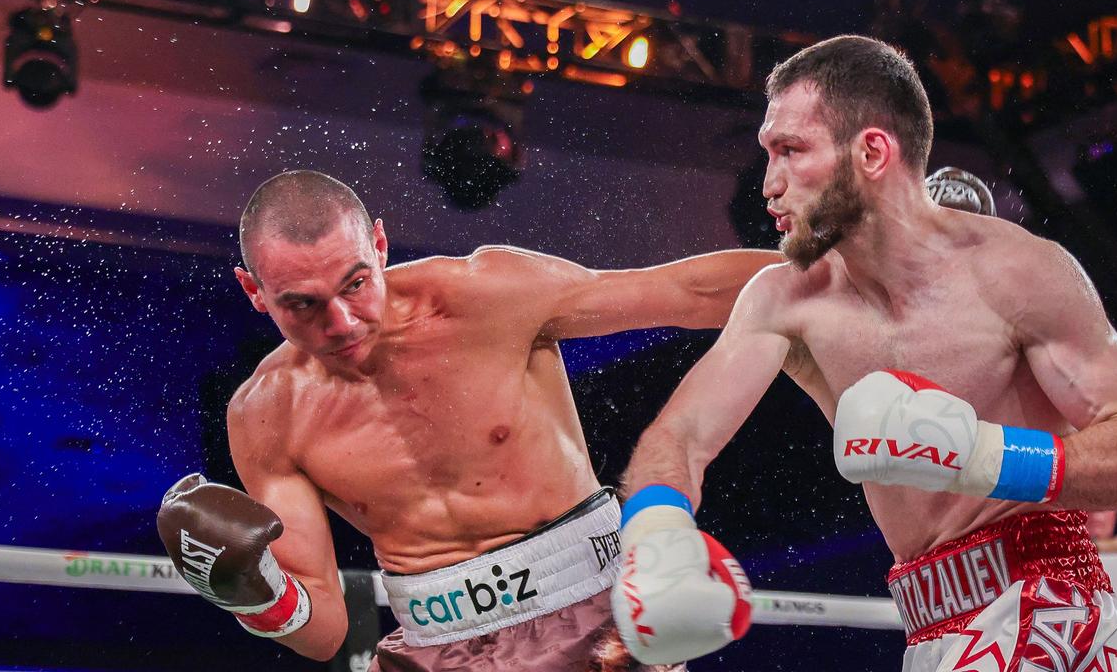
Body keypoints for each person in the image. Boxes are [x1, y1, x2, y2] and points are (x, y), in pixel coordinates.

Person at [613, 35, 1117, 671]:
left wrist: (979, 456)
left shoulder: (1017, 274)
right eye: (767, 154)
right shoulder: (786, 299)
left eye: (791, 151)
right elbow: (680, 436)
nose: (769, 185)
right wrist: (656, 532)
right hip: (930, 619)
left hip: (1045, 595)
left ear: (872, 151)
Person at [155, 170, 783, 672]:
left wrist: (845, 275)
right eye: (302, 304)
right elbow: (325, 632)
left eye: (354, 284)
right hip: (433, 647)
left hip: (592, 618)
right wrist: (255, 594)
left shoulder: (486, 295)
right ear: (254, 291)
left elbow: (686, 293)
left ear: (379, 245)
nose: (341, 322)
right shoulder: (267, 414)